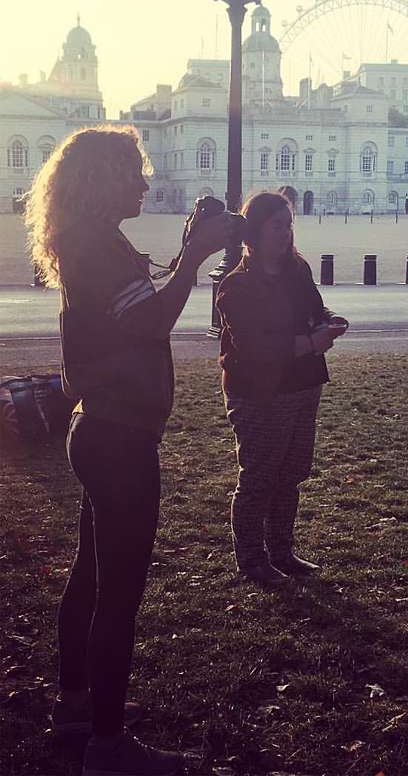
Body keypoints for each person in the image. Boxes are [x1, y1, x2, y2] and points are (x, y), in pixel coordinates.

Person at [26, 126, 236, 775]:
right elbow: (149, 321)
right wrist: (197, 257)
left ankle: (76, 706)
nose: (145, 182)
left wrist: (183, 252)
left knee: (91, 578)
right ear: (102, 178)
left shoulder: (92, 243)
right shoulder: (97, 247)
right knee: (117, 593)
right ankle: (110, 748)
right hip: (119, 439)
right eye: (134, 171)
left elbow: (134, 310)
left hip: (104, 430)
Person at [217, 190, 348, 586]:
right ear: (253, 232)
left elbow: (314, 308)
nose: (286, 233)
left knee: (291, 472)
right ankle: (252, 560)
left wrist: (330, 320)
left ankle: (282, 552)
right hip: (258, 392)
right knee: (258, 475)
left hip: (302, 384)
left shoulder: (297, 270)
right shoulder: (235, 287)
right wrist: (310, 343)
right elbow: (255, 348)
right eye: (278, 226)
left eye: (289, 225)